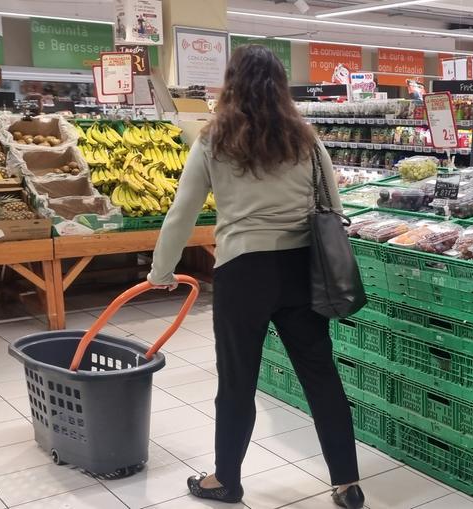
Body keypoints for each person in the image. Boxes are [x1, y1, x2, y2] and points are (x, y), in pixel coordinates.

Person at [147, 45, 364, 508]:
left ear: (232, 84)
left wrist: (161, 270)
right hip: (302, 269)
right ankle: (348, 483)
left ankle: (226, 480)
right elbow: (334, 206)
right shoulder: (305, 139)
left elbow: (182, 213)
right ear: (281, 86)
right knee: (321, 375)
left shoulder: (213, 139)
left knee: (237, 381)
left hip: (242, 272)